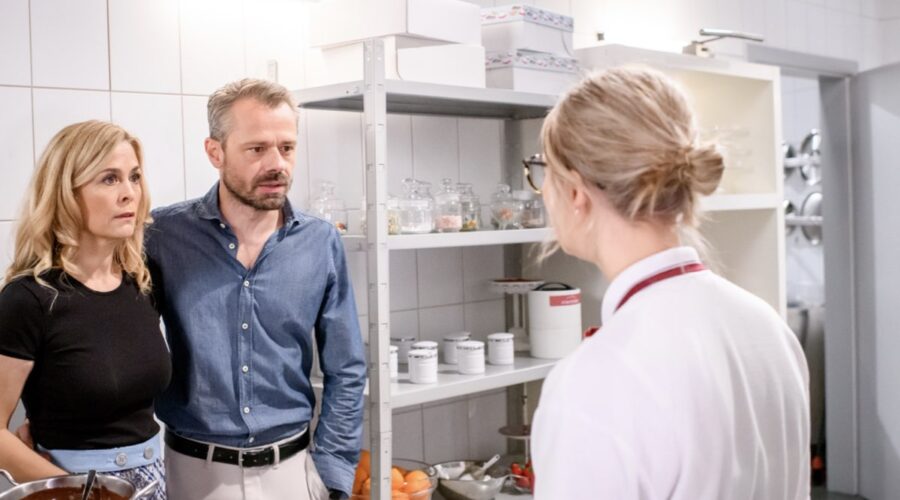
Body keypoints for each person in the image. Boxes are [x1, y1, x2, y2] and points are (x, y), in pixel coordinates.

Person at [528, 67, 810, 499]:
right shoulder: (767, 326)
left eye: (544, 170)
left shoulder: (595, 382)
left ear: (576, 193)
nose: (542, 190)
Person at [146, 78, 366, 500]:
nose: (277, 164)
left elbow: (347, 368)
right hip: (193, 472)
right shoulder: (162, 236)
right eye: (256, 149)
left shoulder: (320, 241)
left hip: (294, 472)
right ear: (216, 152)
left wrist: (334, 470)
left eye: (286, 147)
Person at [0, 120, 170, 498]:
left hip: (154, 483)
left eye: (134, 177)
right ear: (65, 194)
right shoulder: (29, 298)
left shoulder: (142, 282)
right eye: (109, 179)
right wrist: (82, 493)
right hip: (75, 488)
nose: (130, 194)